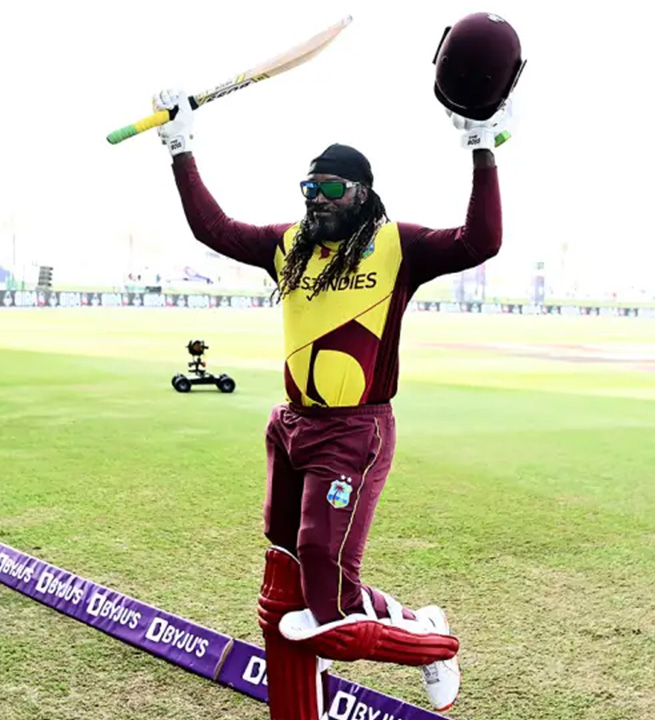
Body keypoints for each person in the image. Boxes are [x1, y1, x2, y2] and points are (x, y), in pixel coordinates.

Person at [153, 15, 520, 716]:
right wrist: (180, 147)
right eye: (308, 188)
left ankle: (436, 644)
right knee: (287, 575)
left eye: (330, 190)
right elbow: (214, 228)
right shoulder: (289, 244)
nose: (315, 200)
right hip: (290, 426)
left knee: (322, 608)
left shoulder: (396, 245)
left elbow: (482, 240)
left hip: (355, 431)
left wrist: (481, 148)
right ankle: (406, 618)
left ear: (362, 194)